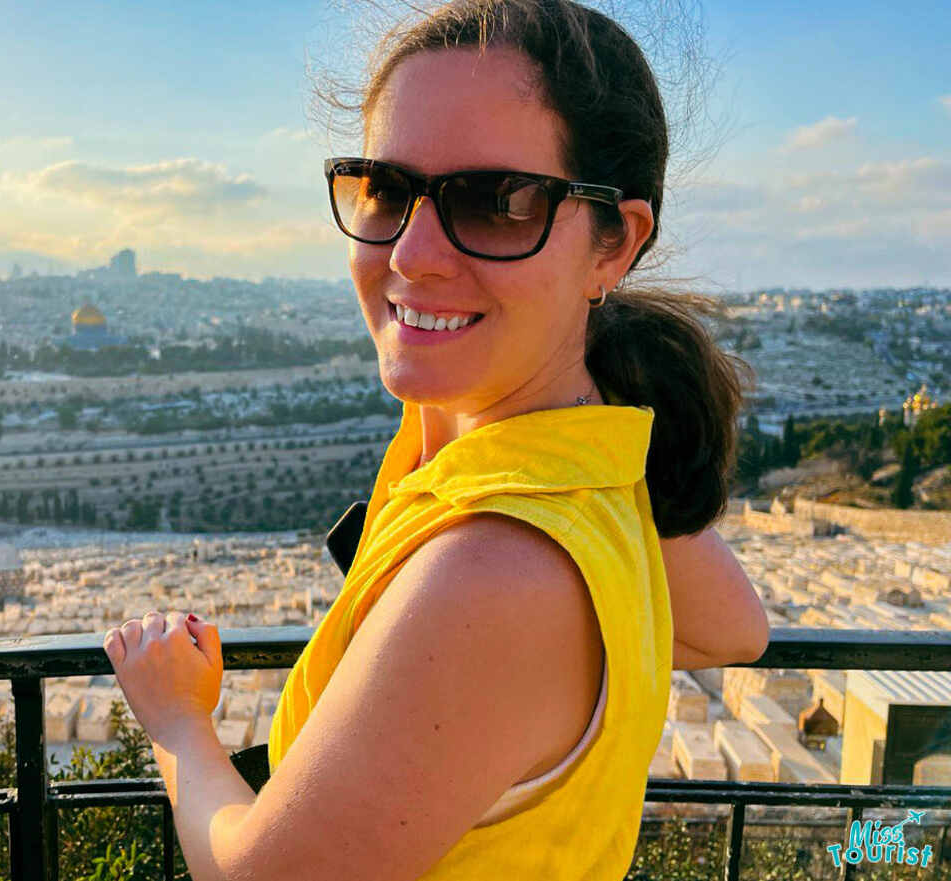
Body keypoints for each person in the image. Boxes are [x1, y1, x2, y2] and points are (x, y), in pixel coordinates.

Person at [103, 1, 770, 878]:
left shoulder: (495, 567)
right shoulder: (582, 454)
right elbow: (738, 628)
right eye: (385, 189)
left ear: (614, 246)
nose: (413, 252)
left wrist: (181, 725)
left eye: (497, 202)